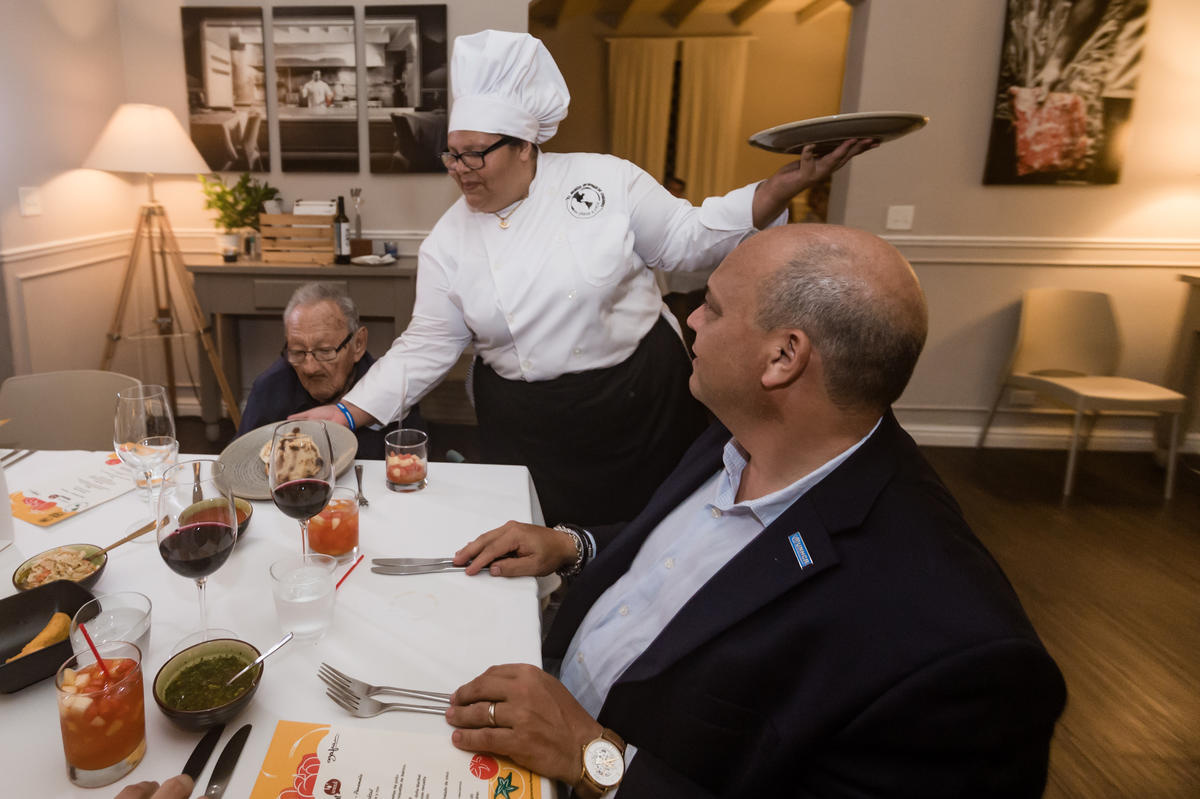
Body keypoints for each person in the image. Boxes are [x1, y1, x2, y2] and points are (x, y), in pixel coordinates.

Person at [442, 223, 1067, 797]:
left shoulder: (960, 655)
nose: (690, 320)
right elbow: (691, 554)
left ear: (783, 358)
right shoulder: (744, 430)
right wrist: (575, 546)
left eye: (712, 306)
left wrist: (593, 758)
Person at [292, 30, 873, 526]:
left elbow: (688, 240)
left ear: (524, 146)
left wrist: (785, 184)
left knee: (646, 529)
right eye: (451, 155)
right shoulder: (449, 240)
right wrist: (348, 411)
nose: (459, 171)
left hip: (640, 400)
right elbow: (428, 344)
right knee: (539, 534)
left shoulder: (606, 181)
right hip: (529, 421)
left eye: (475, 155)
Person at [239, 282, 418, 459]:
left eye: (325, 351)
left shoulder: (391, 391)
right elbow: (241, 465)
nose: (310, 368)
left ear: (358, 344)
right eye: (297, 352)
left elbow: (411, 468)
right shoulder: (268, 389)